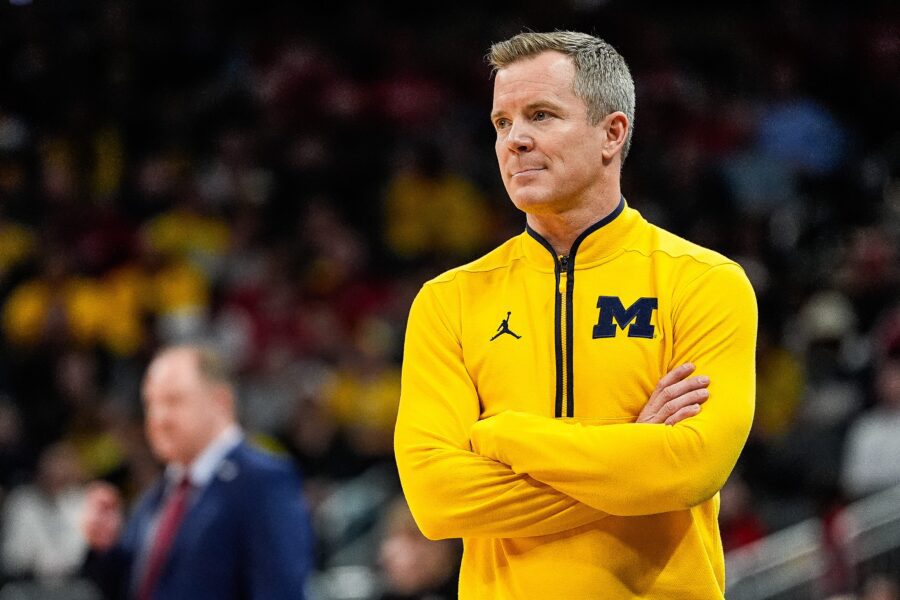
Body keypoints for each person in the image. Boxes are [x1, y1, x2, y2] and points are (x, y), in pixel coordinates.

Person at [394, 31, 757, 598]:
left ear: (612, 133)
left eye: (540, 115)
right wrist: (630, 456)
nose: (515, 140)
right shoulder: (448, 300)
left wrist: (506, 436)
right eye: (502, 123)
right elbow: (436, 500)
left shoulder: (706, 282)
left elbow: (687, 469)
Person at [80, 344, 314, 599]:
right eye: (151, 403)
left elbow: (280, 591)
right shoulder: (160, 493)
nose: (159, 418)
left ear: (220, 401)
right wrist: (106, 547)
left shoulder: (262, 481)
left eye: (174, 400)